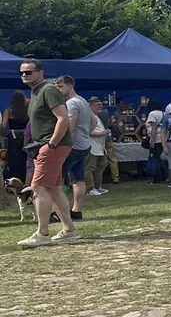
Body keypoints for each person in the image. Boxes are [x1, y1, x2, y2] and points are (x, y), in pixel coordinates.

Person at [18, 58, 79, 247]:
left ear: (40, 73)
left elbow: (63, 118)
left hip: (52, 145)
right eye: (22, 72)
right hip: (48, 145)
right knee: (53, 188)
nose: (24, 75)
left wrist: (51, 144)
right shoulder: (36, 91)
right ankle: (69, 229)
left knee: (38, 187)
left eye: (28, 72)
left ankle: (42, 234)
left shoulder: (48, 90)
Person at [54, 75, 90, 222]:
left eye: (60, 86)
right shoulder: (83, 101)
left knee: (56, 180)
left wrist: (56, 143)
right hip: (84, 145)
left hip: (72, 146)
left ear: (70, 86)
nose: (58, 90)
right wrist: (86, 133)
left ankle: (57, 213)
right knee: (78, 179)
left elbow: (69, 127)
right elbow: (94, 121)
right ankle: (77, 210)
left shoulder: (71, 103)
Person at [2, 90, 29, 182]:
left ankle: (13, 180)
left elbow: (3, 128)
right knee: (25, 160)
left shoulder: (8, 111)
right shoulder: (28, 110)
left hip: (12, 139)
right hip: (26, 138)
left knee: (13, 161)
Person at [86, 99, 110, 194]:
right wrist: (101, 133)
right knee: (89, 167)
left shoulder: (97, 116)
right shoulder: (88, 116)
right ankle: (90, 188)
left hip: (100, 146)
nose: (100, 106)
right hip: (92, 145)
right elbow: (87, 131)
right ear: (91, 105)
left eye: (101, 104)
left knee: (103, 164)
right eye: (97, 104)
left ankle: (97, 185)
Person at [143, 99, 166, 185]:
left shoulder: (152, 114)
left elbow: (154, 128)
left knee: (155, 159)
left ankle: (156, 178)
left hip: (156, 139)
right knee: (162, 159)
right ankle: (165, 176)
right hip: (163, 138)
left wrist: (152, 141)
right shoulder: (163, 113)